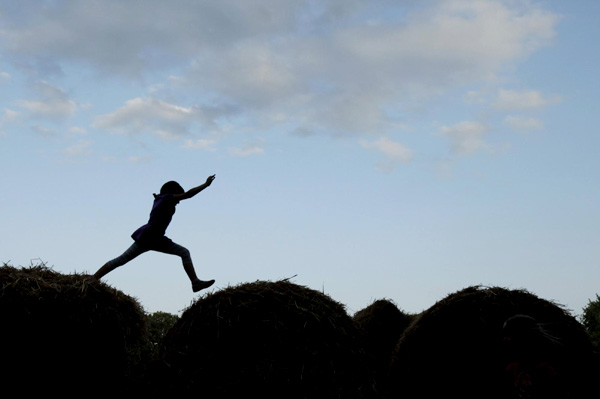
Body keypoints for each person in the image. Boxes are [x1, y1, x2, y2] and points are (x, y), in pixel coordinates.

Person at [94, 175, 216, 293]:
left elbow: (161, 201)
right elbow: (189, 194)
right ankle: (93, 278)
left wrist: (159, 196)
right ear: (172, 193)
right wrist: (206, 184)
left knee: (122, 260)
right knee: (183, 253)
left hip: (154, 238)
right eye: (177, 198)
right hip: (150, 237)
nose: (178, 201)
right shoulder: (167, 199)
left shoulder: (161, 199)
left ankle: (94, 278)